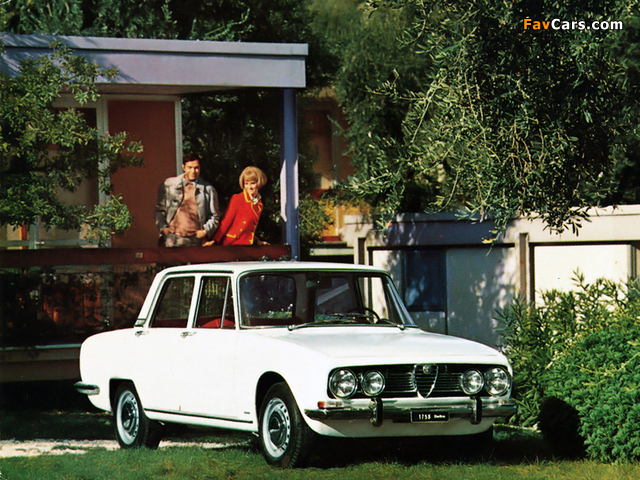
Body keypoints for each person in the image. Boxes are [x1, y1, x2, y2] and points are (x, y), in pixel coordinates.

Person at [154, 153, 220, 247]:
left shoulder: (208, 190)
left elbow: (215, 215)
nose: (193, 171)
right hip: (172, 239)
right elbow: (159, 210)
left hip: (196, 240)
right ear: (183, 167)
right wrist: (164, 228)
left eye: (196, 168)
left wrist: (206, 231)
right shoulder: (169, 185)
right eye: (190, 167)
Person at [210, 166, 267, 246]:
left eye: (252, 183)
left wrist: (257, 241)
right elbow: (226, 222)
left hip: (246, 244)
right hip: (231, 243)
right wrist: (214, 240)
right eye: (246, 183)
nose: (249, 187)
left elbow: (249, 230)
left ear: (259, 183)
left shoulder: (259, 204)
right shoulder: (238, 198)